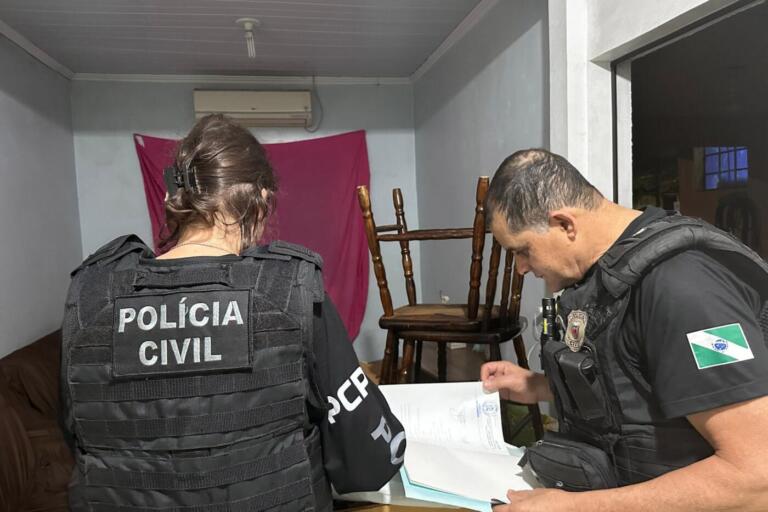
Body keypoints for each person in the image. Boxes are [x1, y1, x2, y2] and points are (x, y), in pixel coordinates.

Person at [60, 114, 405, 511]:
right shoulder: (289, 294)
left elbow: (77, 434)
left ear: (178, 203)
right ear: (259, 202)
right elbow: (370, 459)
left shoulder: (90, 298)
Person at [481, 149, 768, 511]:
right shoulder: (605, 272)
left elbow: (757, 479)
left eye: (522, 250)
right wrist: (536, 386)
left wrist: (573, 509)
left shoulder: (686, 290)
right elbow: (634, 389)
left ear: (565, 224)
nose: (520, 268)